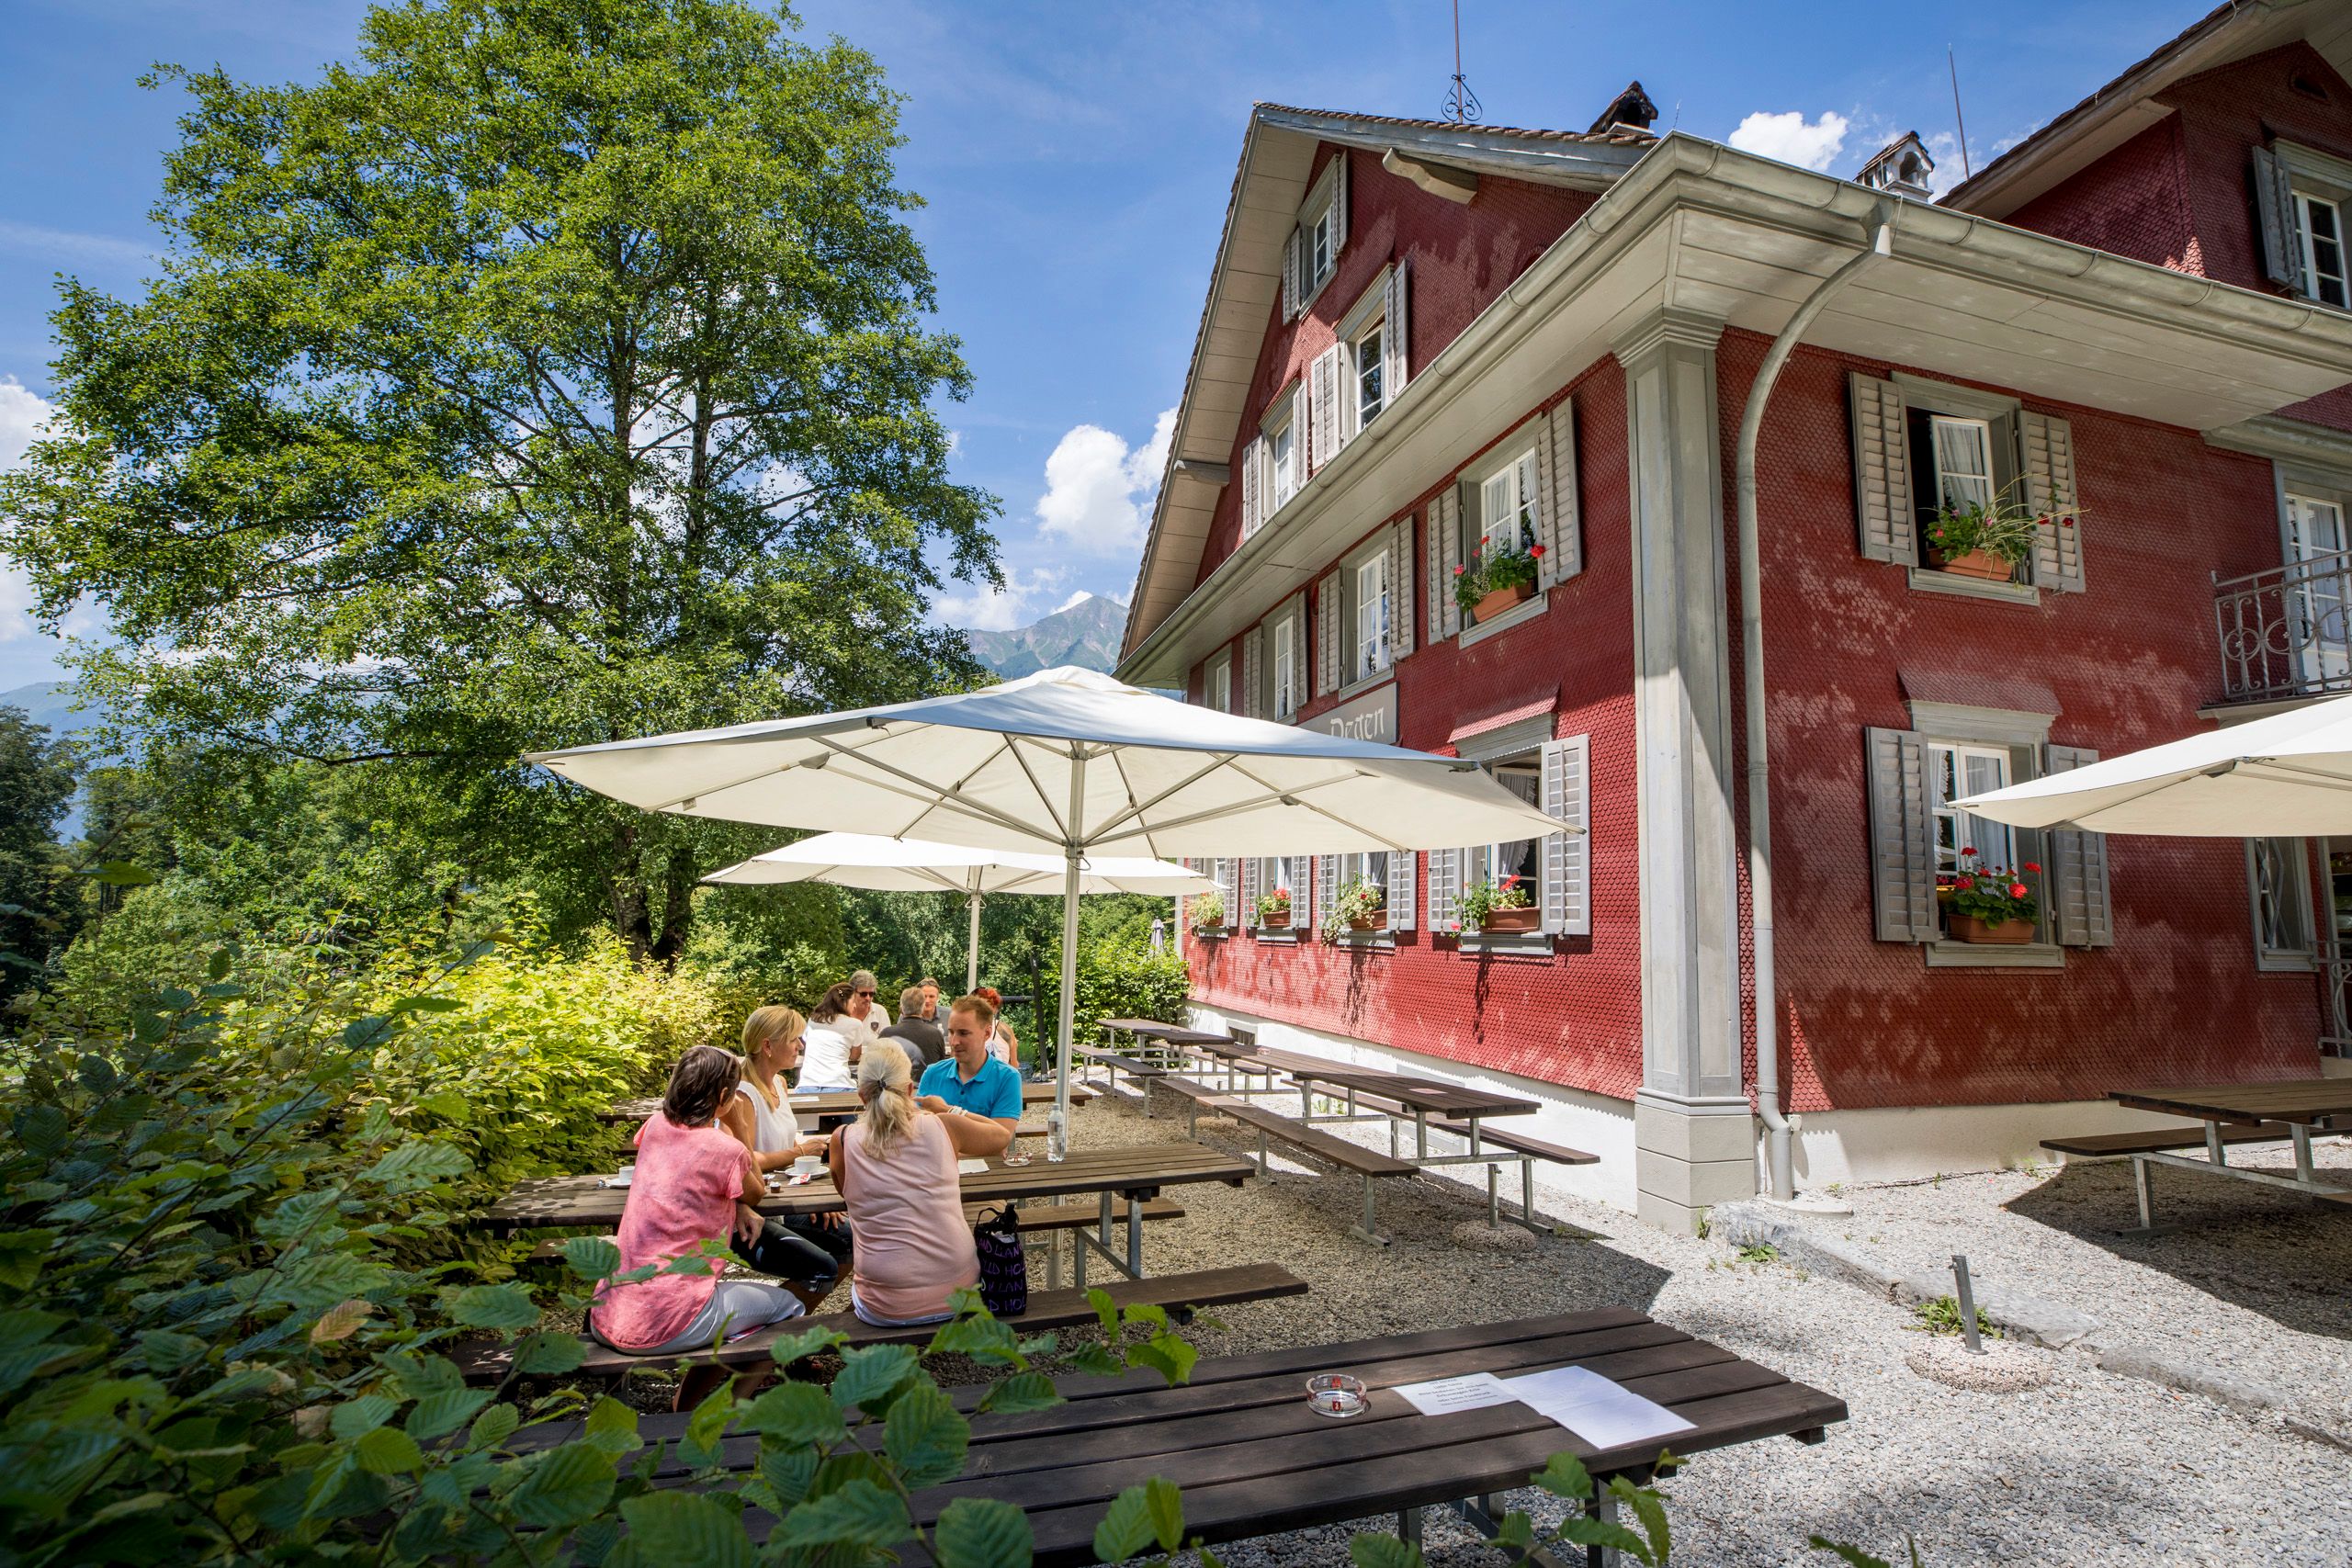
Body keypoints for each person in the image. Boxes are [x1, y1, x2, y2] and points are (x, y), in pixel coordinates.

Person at [590, 1046, 804, 1399]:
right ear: (724, 1097)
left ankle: (698, 1389)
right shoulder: (724, 1148)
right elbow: (756, 1192)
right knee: (791, 1309)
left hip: (610, 1310)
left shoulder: (656, 1125)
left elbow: (687, 1174)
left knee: (733, 1309)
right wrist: (739, 1127)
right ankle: (726, 1406)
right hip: (670, 1321)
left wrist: (733, 1206)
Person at [827, 1039, 1011, 1326]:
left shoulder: (842, 1140)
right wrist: (949, 1109)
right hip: (960, 1291)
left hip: (883, 1305)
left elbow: (845, 1193)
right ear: (911, 1090)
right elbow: (1001, 1136)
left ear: (862, 1095)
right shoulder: (942, 1125)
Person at [720, 1006, 853, 1303]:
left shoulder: (779, 1083)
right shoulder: (743, 1093)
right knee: (849, 1239)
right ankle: (784, 1323)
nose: (800, 1046)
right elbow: (738, 1160)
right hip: (757, 1207)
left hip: (788, 1195)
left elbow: (783, 1137)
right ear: (767, 1046)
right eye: (794, 1039)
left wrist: (814, 1197)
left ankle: (793, 1317)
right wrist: (799, 1152)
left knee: (851, 1236)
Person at [915, 994, 1025, 1131]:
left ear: (986, 1033)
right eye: (951, 1032)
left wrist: (946, 1111)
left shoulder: (1007, 1077)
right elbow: (917, 1132)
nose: (954, 1041)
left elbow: (1000, 1139)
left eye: (963, 1033)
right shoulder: (933, 1073)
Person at [797, 981, 864, 1091]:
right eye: (853, 1001)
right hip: (839, 1084)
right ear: (844, 1002)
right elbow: (854, 1056)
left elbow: (807, 1042)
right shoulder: (855, 1024)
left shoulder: (813, 1020)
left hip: (807, 1084)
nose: (855, 1005)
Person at [879, 986, 943, 1069]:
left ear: (901, 1009)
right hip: (928, 1081)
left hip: (896, 1081)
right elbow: (941, 1062)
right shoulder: (936, 1034)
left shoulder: (886, 1034)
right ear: (922, 1008)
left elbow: (877, 1064)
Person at [848, 969, 889, 1034]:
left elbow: (887, 1041)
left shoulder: (880, 1011)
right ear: (852, 992)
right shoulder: (843, 1013)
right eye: (863, 994)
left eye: (871, 994)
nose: (868, 998)